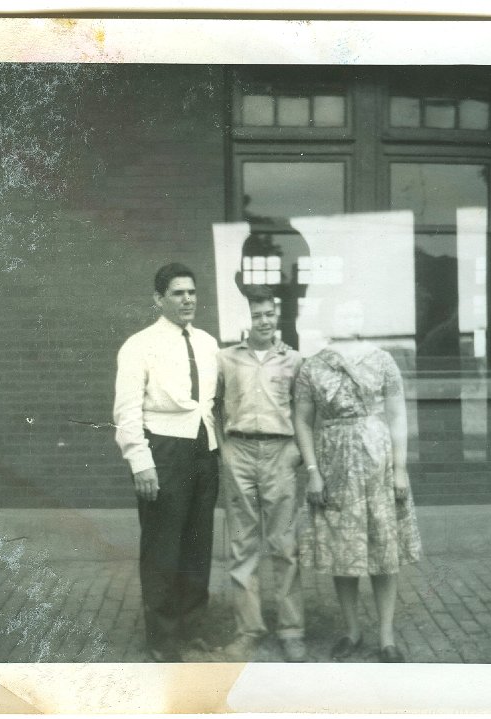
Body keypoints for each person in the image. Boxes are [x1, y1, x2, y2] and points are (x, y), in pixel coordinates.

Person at [293, 300, 422, 663]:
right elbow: (302, 419)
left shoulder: (382, 360)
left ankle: (386, 636)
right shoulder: (313, 366)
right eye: (343, 311)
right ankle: (352, 630)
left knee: (384, 548)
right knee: (342, 548)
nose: (351, 316)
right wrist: (313, 470)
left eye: (356, 311)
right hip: (334, 463)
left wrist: (399, 468)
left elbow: (398, 416)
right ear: (330, 318)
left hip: (377, 461)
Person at [113, 263, 220, 662]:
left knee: (198, 542)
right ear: (159, 300)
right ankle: (162, 637)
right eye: (178, 293)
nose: (188, 299)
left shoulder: (208, 343)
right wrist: (141, 462)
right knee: (162, 545)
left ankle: (192, 628)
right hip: (164, 451)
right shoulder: (139, 345)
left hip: (203, 448)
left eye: (191, 292)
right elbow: (126, 410)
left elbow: (213, 402)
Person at [215, 285, 307, 662]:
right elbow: (212, 407)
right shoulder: (225, 359)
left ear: (277, 316)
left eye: (270, 314)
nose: (265, 320)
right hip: (239, 452)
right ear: (246, 319)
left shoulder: (294, 360)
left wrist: (297, 452)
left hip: (279, 454)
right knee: (242, 545)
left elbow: (306, 412)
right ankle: (249, 629)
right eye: (257, 315)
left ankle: (292, 630)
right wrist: (225, 450)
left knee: (284, 545)